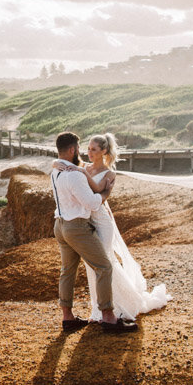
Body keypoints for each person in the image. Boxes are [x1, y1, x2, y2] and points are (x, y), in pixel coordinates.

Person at [54, 133, 170, 323]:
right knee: (95, 268)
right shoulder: (82, 168)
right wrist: (65, 166)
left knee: (105, 263)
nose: (89, 152)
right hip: (85, 222)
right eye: (88, 148)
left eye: (94, 149)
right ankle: (100, 310)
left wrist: (94, 182)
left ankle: (116, 307)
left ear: (104, 151)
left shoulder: (107, 173)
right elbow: (66, 167)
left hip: (100, 220)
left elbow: (98, 191)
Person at [51, 132, 137, 334]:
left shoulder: (56, 171)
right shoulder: (75, 174)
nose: (83, 152)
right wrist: (106, 193)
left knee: (67, 270)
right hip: (76, 227)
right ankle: (108, 317)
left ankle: (68, 318)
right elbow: (91, 203)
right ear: (72, 150)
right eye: (81, 148)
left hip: (59, 225)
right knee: (105, 266)